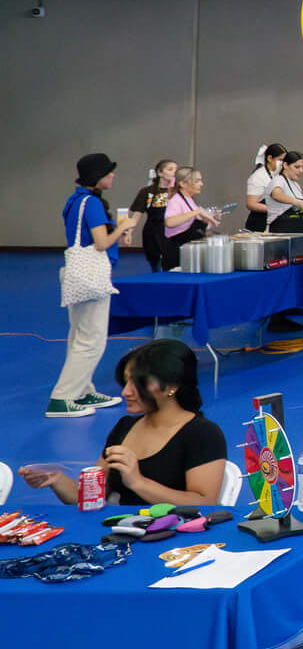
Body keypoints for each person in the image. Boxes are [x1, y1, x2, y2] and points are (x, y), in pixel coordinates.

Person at [23, 341, 228, 507]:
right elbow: (92, 496)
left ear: (171, 388)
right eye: (126, 382)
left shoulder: (203, 434)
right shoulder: (125, 427)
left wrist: (138, 482)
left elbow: (205, 502)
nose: (126, 392)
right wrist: (55, 480)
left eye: (138, 384)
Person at [50, 154, 133, 419]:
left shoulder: (75, 201)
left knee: (79, 335)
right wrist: (124, 227)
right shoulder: (93, 203)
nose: (113, 176)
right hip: (91, 277)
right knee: (91, 340)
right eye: (109, 172)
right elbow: (101, 243)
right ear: (98, 176)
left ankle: (83, 389)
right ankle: (63, 397)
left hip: (76, 274)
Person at [127, 159, 180, 272]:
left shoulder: (178, 192)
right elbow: (137, 214)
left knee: (172, 264)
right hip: (153, 231)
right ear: (160, 173)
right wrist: (129, 232)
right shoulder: (147, 191)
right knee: (155, 264)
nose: (174, 172)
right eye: (170, 169)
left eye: (176, 170)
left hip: (172, 231)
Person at [162, 167, 220, 262]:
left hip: (188, 251)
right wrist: (197, 212)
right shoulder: (175, 200)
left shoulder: (189, 200)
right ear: (183, 184)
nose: (201, 184)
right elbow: (170, 222)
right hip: (177, 252)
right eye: (197, 181)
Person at [264, 150, 303, 231]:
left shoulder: (296, 185)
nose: (301, 171)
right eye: (297, 167)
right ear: (285, 165)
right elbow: (276, 195)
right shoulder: (278, 180)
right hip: (279, 225)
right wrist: (296, 202)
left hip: (293, 224)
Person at [243, 144, 286, 231]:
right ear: (270, 158)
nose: (283, 163)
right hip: (259, 224)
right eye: (280, 160)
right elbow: (251, 204)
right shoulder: (258, 176)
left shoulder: (278, 175)